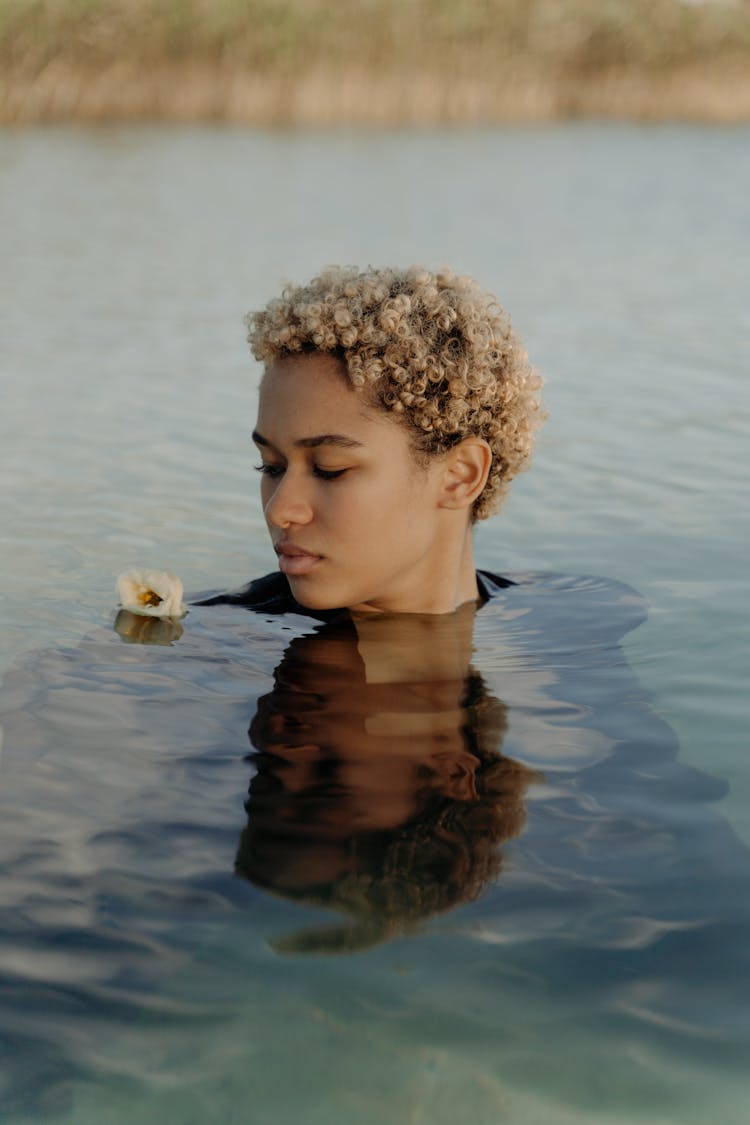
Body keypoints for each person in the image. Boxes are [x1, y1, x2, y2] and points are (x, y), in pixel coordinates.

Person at [197, 265, 544, 620]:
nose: (279, 510)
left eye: (329, 470)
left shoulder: (572, 628)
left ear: (461, 475)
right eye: (271, 466)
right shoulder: (194, 643)